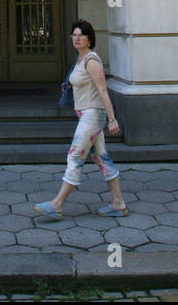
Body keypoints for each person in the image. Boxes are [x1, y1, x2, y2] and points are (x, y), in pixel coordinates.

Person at [35, 20, 129, 219]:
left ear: (89, 39)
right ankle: (118, 203)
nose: (77, 38)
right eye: (74, 35)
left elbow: (103, 90)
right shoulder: (80, 59)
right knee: (103, 159)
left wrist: (112, 119)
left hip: (93, 115)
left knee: (75, 156)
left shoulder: (91, 60)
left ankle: (57, 204)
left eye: (81, 35)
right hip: (85, 114)